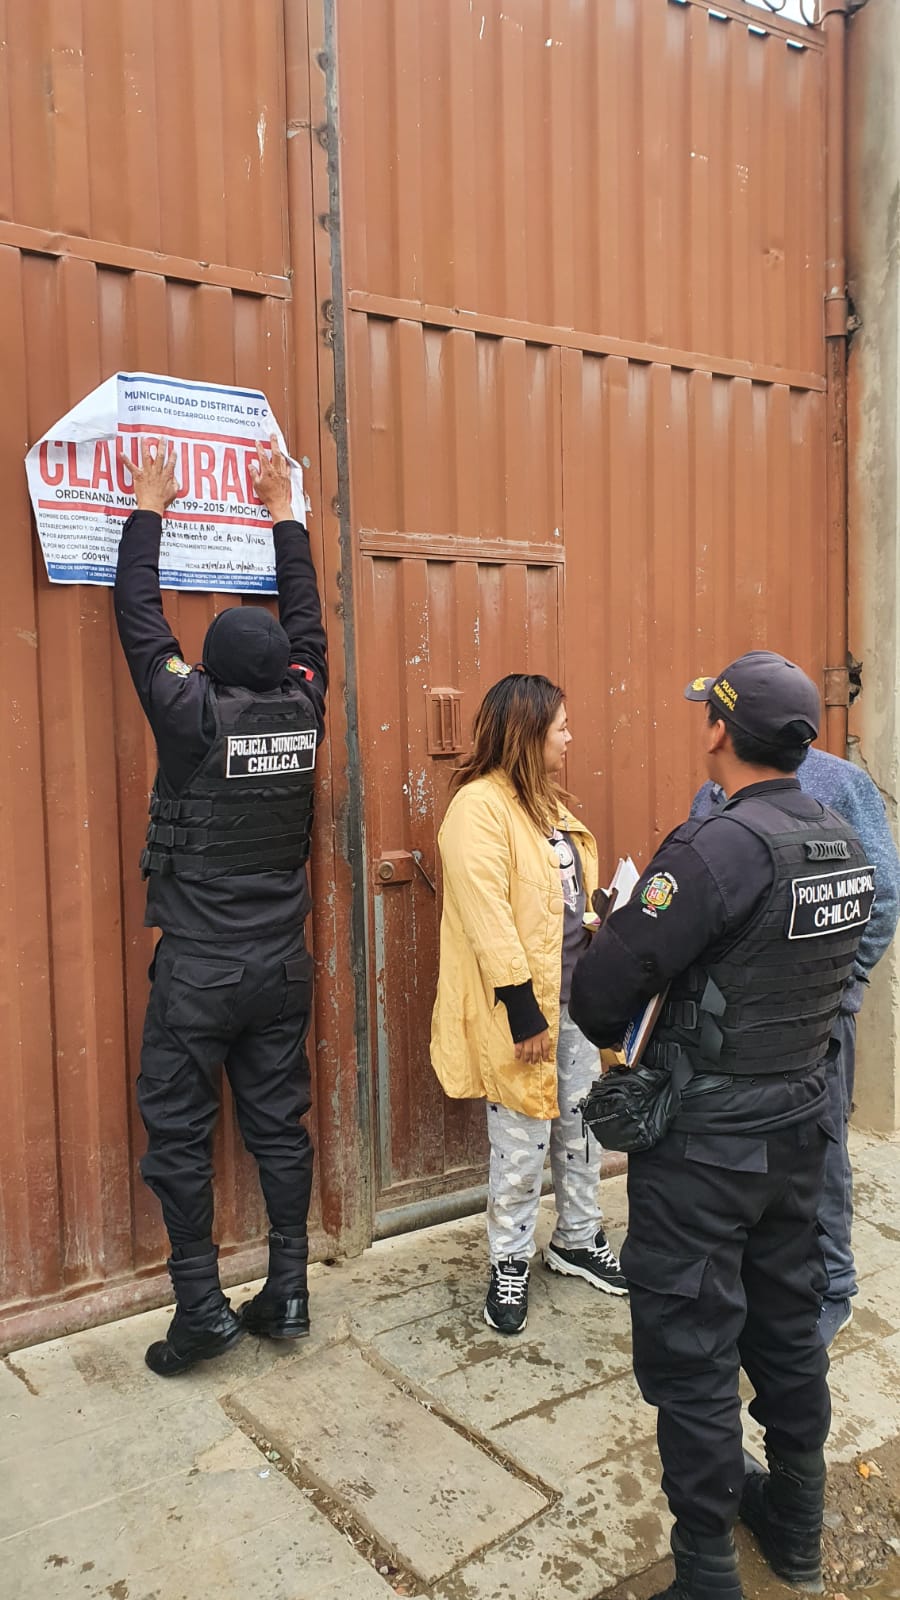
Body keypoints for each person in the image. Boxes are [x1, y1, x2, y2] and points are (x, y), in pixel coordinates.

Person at [569, 651, 873, 1600]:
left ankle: (706, 1572)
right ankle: (796, 1529)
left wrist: (599, 931)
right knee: (787, 1331)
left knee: (694, 1352)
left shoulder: (712, 849)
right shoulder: (842, 837)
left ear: (719, 731)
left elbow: (601, 997)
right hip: (800, 1133)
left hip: (706, 1149)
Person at [114, 434, 327, 1377]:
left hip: (201, 968)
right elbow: (313, 629)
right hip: (282, 966)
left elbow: (138, 624)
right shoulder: (308, 705)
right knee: (280, 1125)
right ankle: (288, 1290)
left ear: (214, 668)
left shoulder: (192, 714)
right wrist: (285, 512)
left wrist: (147, 507)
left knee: (178, 1126)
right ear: (284, 670)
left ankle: (200, 1308)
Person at [430, 674, 627, 1338]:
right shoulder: (477, 809)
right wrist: (522, 1011)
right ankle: (508, 1261)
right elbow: (489, 918)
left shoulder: (545, 804)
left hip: (573, 1002)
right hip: (522, 1011)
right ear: (527, 732)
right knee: (519, 1144)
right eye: (561, 726)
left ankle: (577, 1237)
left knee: (580, 1125)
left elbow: (563, 903)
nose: (570, 736)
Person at [690, 743, 900, 1346]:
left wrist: (841, 980)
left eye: (718, 716)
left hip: (815, 1018)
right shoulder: (713, 792)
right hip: (735, 1026)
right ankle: (763, 1280)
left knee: (821, 1146)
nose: (710, 732)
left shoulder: (839, 784)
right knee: (750, 1154)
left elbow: (880, 895)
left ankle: (833, 1287)